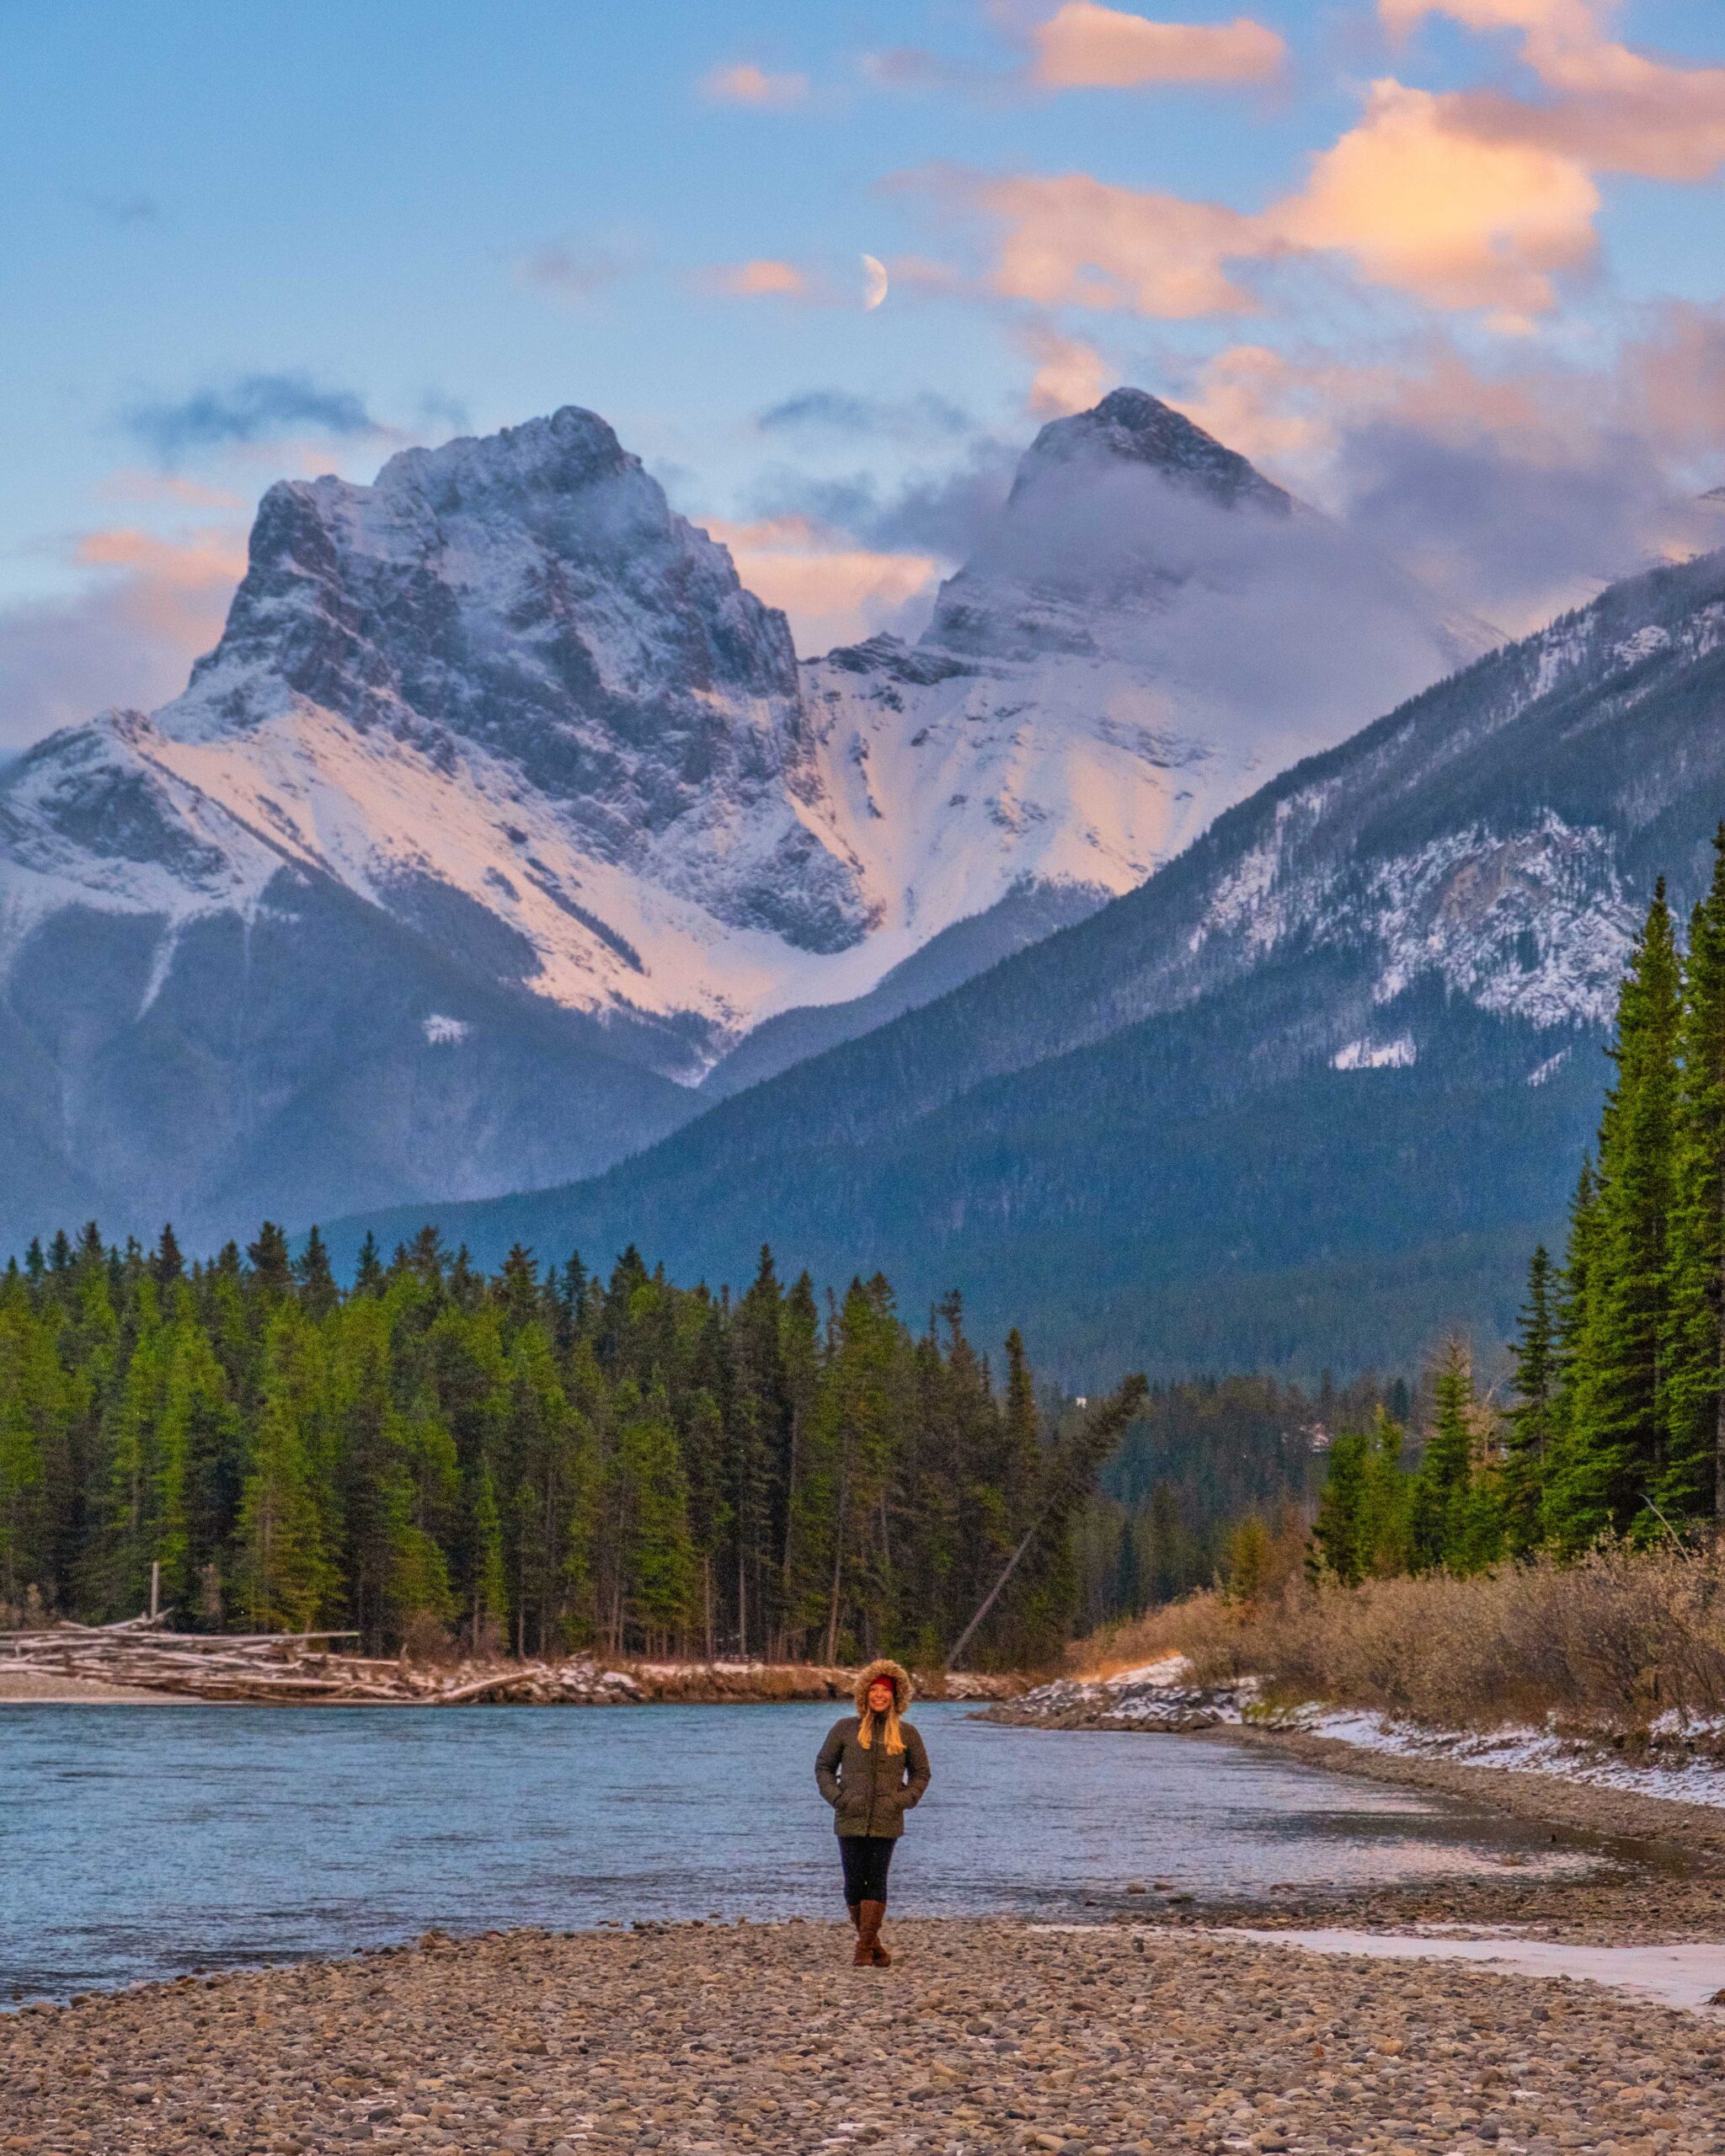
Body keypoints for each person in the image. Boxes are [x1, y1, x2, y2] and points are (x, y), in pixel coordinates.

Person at [814, 1657, 931, 1967]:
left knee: (876, 1881)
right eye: (874, 1690)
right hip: (849, 1818)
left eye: (885, 1691)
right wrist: (838, 1798)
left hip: (886, 1821)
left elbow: (921, 1774)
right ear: (864, 1695)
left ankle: (863, 1950)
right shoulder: (844, 1729)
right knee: (853, 1884)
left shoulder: (908, 1734)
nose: (879, 1696)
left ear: (895, 1697)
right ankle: (873, 1945)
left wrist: (901, 1800)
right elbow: (824, 1767)